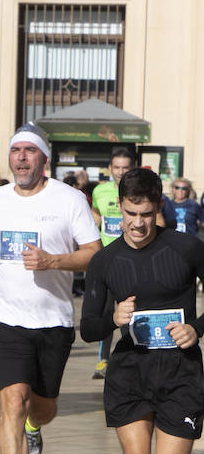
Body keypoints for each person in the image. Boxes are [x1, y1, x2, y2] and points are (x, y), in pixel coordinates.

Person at [0, 123, 100, 454]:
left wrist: (52, 261)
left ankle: (34, 427)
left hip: (54, 321)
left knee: (41, 408)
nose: (21, 158)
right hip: (5, 319)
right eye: (16, 151)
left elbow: (94, 255)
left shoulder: (69, 200)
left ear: (45, 159)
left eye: (30, 151)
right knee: (12, 401)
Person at [81, 168, 203, 454]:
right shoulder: (105, 261)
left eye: (146, 214)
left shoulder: (187, 249)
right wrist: (112, 318)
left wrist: (195, 329)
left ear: (159, 208)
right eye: (131, 213)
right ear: (120, 207)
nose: (137, 223)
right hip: (129, 371)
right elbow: (87, 329)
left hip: (180, 371)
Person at [89, 148, 134, 378]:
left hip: (131, 261)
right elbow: (96, 217)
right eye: (116, 167)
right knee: (106, 313)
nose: (120, 172)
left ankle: (131, 355)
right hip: (107, 261)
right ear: (110, 169)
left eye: (125, 167)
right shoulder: (100, 191)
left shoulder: (137, 190)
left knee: (129, 312)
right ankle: (103, 360)